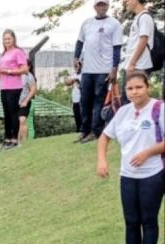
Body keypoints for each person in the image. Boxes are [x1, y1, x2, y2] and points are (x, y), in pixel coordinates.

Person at [97, 72, 164, 244]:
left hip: (153, 173)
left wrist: (147, 153)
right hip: (128, 175)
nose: (134, 92)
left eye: (138, 88)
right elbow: (104, 137)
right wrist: (102, 160)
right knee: (131, 220)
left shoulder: (159, 109)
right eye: (130, 89)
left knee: (148, 219)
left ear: (147, 87)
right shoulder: (123, 112)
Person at [74, 0, 123, 142]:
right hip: (87, 70)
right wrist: (76, 57)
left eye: (104, 4)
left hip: (104, 70)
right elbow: (80, 42)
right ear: (94, 6)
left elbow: (117, 48)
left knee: (98, 101)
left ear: (107, 6)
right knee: (85, 100)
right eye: (99, 4)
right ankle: (84, 130)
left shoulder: (114, 24)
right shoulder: (87, 23)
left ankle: (96, 131)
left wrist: (114, 69)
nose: (101, 7)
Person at [0, 29, 29, 150]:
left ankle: (15, 139)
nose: (6, 41)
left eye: (9, 38)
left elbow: (24, 69)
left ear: (13, 39)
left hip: (14, 86)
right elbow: (2, 70)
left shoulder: (18, 52)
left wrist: (8, 71)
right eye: (4, 39)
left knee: (13, 113)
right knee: (6, 114)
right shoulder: (4, 54)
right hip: (4, 86)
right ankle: (7, 138)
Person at [120, 0, 155, 104]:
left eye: (127, 1)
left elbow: (143, 40)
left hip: (138, 66)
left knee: (135, 100)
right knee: (128, 100)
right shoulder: (139, 17)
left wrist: (132, 63)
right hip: (134, 65)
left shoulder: (144, 17)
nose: (125, 4)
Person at [18, 67, 37, 145]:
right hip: (15, 102)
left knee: (22, 120)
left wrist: (26, 101)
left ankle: (24, 141)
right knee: (17, 122)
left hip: (25, 101)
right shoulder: (16, 74)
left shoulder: (28, 76)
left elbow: (33, 89)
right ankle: (17, 141)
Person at [65, 60, 83, 133]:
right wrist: (74, 79)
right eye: (75, 66)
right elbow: (66, 82)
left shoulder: (83, 74)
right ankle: (78, 131)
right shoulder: (74, 75)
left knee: (82, 116)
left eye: (78, 65)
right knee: (77, 117)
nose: (76, 67)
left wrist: (79, 81)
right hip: (75, 100)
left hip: (82, 99)